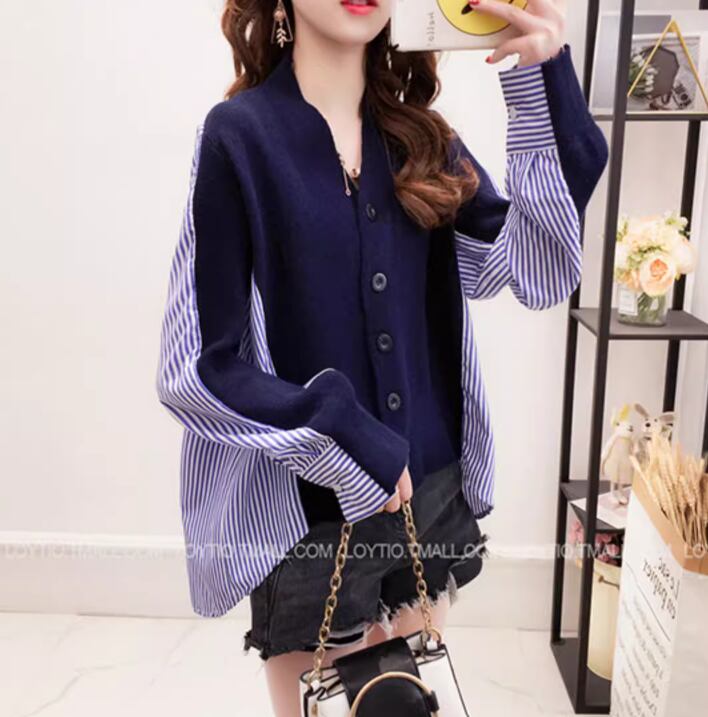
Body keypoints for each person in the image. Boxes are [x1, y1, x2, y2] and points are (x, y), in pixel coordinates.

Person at [155, 0, 608, 714]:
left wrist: (540, 82)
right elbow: (197, 367)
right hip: (311, 519)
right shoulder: (240, 138)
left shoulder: (422, 138)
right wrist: (337, 421)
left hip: (430, 497)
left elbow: (537, 268)